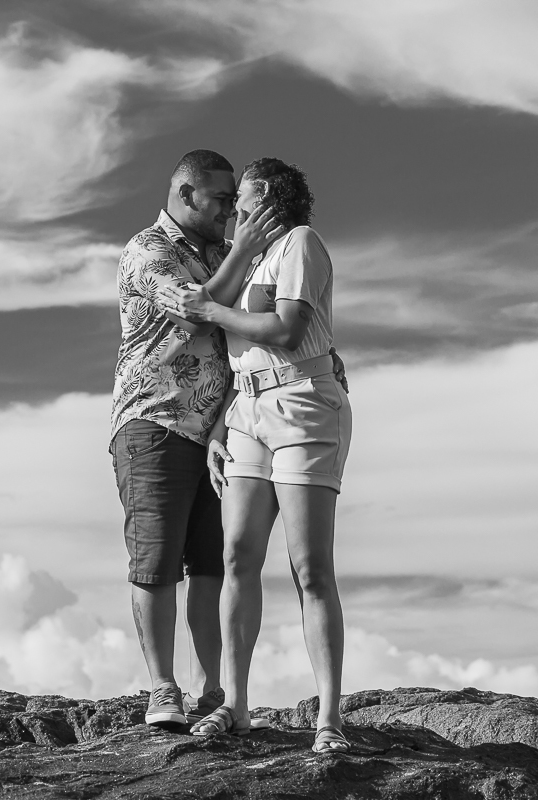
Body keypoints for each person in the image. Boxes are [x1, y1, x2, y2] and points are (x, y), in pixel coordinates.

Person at [157, 158, 353, 753]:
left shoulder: (299, 243)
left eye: (240, 194)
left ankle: (329, 720)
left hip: (303, 402)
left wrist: (213, 311)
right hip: (246, 412)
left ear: (267, 196)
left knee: (309, 566)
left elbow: (287, 330)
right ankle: (234, 708)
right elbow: (241, 354)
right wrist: (221, 424)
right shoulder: (242, 259)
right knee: (238, 554)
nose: (232, 203)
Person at [110, 149, 292, 727]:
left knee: (214, 561)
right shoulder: (148, 249)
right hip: (154, 422)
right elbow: (193, 313)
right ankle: (163, 689)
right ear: (185, 194)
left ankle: (213, 689)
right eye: (220, 200)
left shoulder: (221, 251)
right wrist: (242, 251)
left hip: (224, 431)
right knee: (157, 558)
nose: (228, 211)